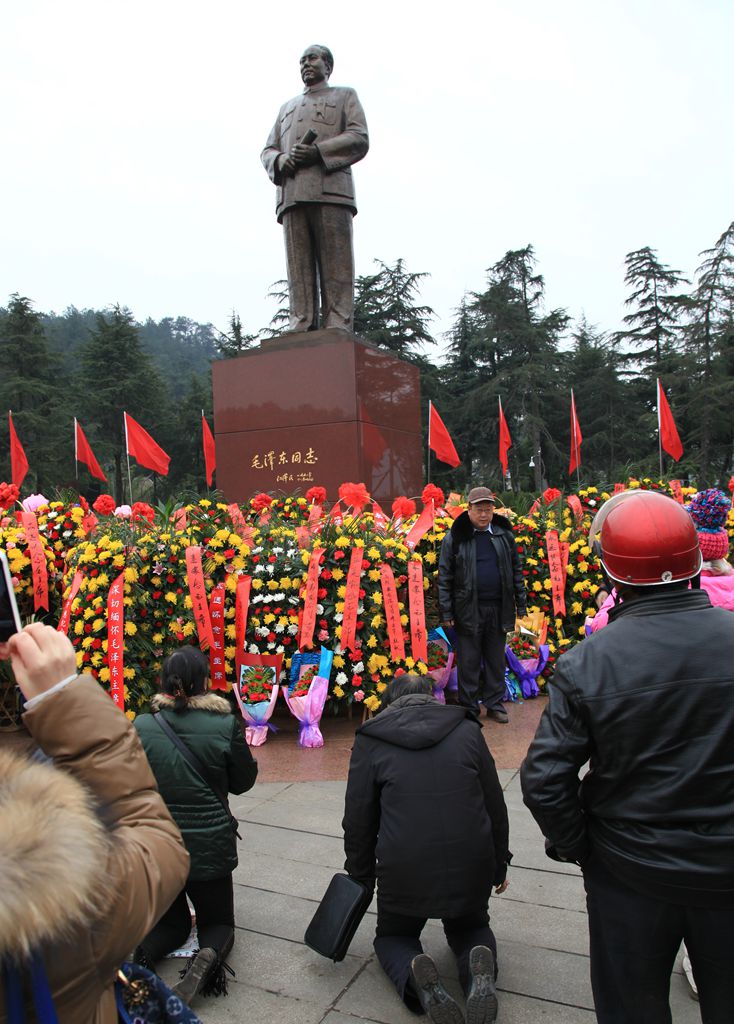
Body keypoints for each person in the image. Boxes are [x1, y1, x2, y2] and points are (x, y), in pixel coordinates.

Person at [520, 490, 734, 1024]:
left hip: (628, 869)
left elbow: (544, 779)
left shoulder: (588, 663)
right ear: (694, 561)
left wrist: (579, 846)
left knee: (631, 1009)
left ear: (612, 572)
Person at [0, 623, 190, 1022]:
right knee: (215, 921)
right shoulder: (48, 877)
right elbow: (151, 831)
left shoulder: (146, 725)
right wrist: (60, 696)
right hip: (202, 853)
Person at [342, 672, 511, 1023]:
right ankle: (478, 964)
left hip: (406, 867)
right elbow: (494, 802)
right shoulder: (467, 729)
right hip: (472, 859)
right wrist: (499, 864)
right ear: (432, 697)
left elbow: (359, 818)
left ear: (388, 703)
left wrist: (360, 876)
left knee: (393, 936)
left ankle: (415, 972)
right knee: (470, 926)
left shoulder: (372, 740)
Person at [134, 646, 258, 1004]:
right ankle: (206, 958)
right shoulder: (224, 724)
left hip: (160, 844)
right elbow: (242, 782)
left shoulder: (143, 724)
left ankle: (140, 954)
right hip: (210, 846)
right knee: (217, 924)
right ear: (204, 681)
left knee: (170, 926)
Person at [261, 44, 369, 333]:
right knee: (298, 267)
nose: (305, 64)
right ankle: (301, 320)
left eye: (312, 58)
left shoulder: (344, 95)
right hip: (292, 195)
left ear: (328, 66)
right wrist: (281, 159)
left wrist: (318, 151)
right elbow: (268, 150)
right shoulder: (287, 108)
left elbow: (359, 137)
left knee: (336, 263)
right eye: (301, 61)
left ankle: (338, 320)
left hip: (331, 191)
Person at [438, 486, 527, 723]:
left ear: (493, 511)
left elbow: (516, 570)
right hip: (468, 609)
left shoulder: (503, 536)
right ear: (469, 510)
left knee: (495, 659)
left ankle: (494, 703)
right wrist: (447, 611)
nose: (484, 515)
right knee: (469, 660)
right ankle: (470, 707)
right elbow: (445, 576)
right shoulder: (455, 538)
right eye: (479, 510)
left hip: (498, 607)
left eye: (488, 510)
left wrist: (522, 605)